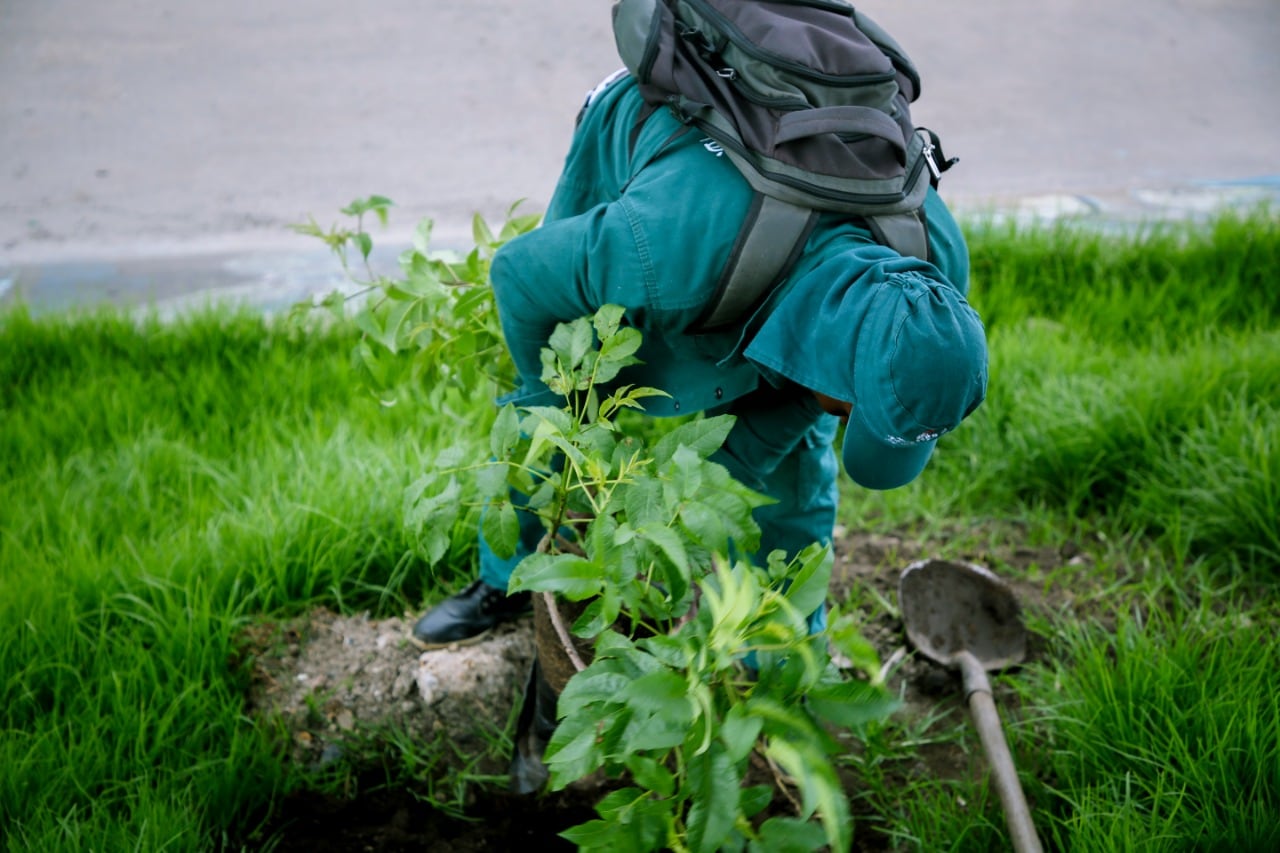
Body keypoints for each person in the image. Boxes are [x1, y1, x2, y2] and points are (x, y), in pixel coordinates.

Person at [410, 68, 987, 649]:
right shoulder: (663, 253)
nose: (842, 423)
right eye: (849, 414)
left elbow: (792, 419)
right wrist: (554, 409)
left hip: (779, 215)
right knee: (561, 395)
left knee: (792, 471)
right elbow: (519, 275)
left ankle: (779, 651)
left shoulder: (935, 278)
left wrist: (704, 498)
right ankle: (506, 579)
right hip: (655, 139)